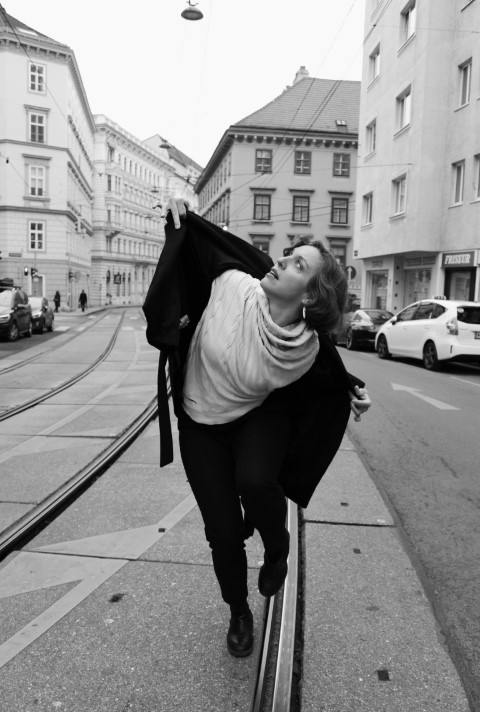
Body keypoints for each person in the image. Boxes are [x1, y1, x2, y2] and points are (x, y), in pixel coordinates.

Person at [143, 199, 371, 659]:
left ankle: (277, 547)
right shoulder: (231, 283)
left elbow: (328, 369)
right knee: (224, 533)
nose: (282, 260)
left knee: (255, 480)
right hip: (200, 421)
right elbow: (200, 242)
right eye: (289, 255)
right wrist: (180, 213)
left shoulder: (305, 348)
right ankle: (239, 611)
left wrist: (349, 389)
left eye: (297, 264)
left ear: (309, 297)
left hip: (255, 415)